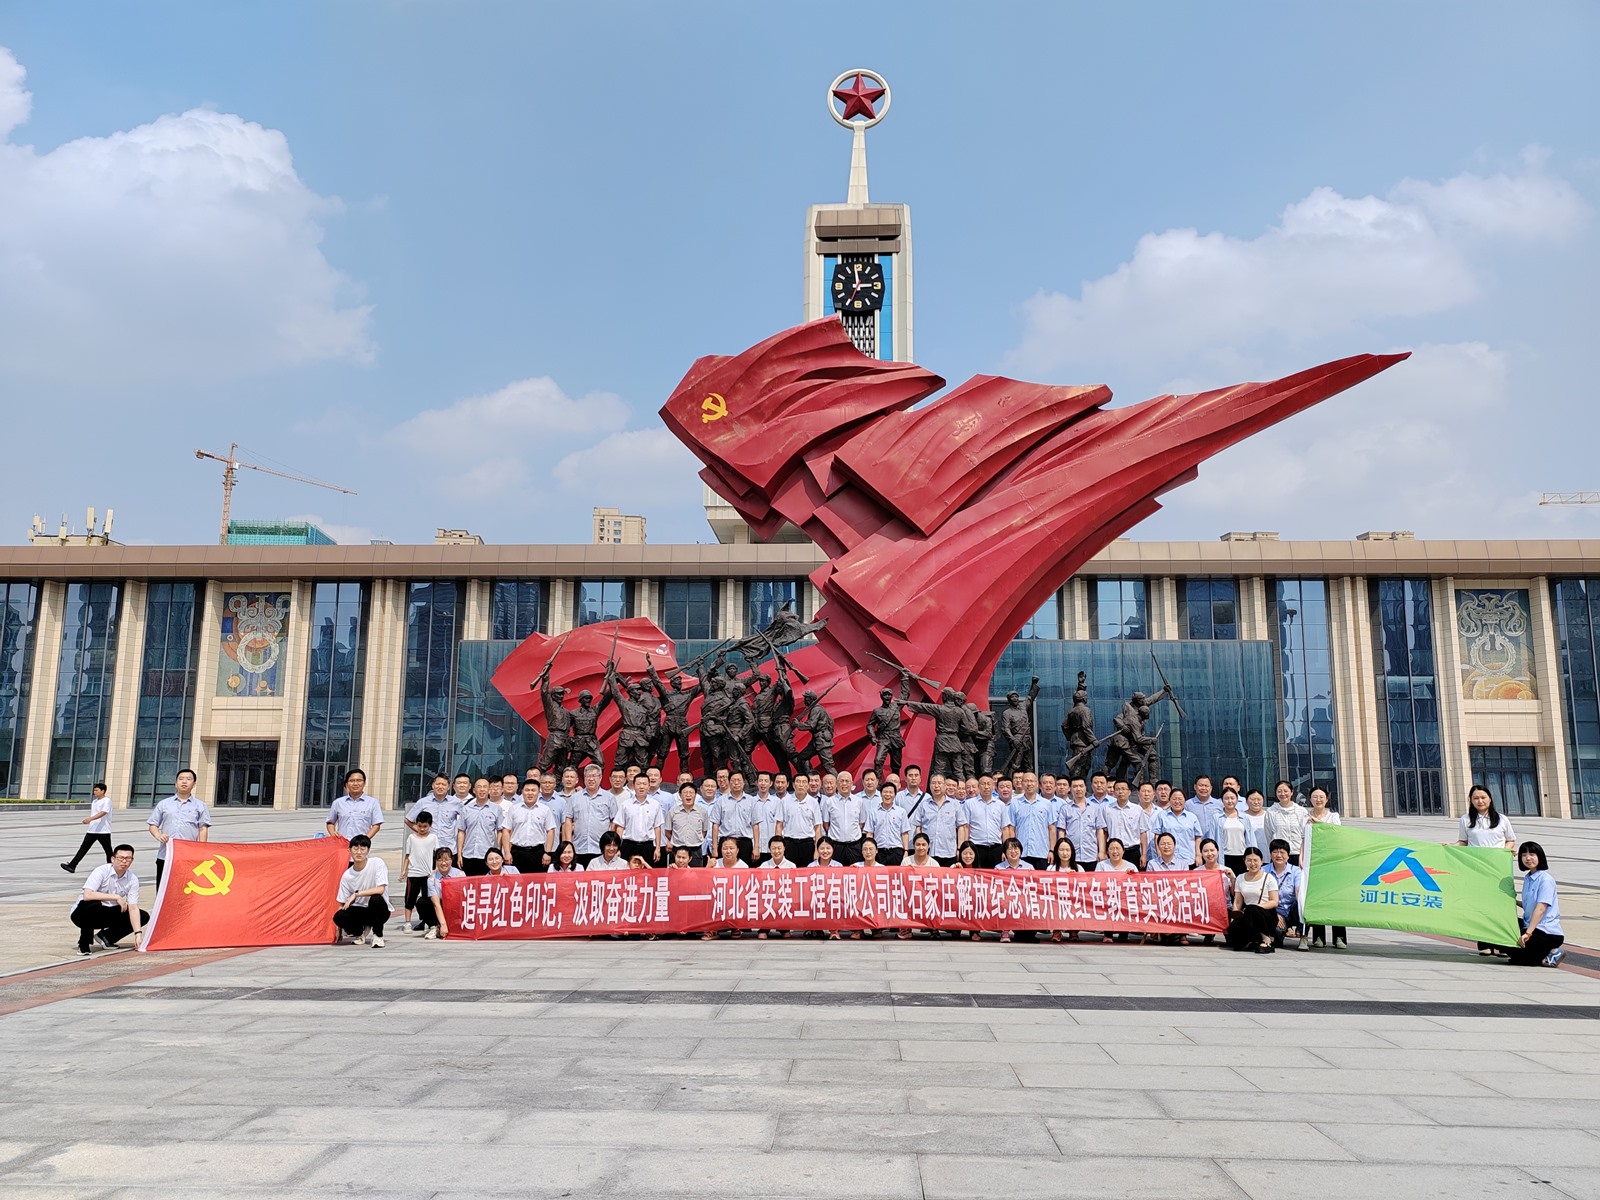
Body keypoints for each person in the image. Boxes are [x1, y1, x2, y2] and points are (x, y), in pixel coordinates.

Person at [1457, 784, 1518, 956]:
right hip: (1477, 869)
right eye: (1475, 798)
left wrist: (1505, 852)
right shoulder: (1466, 819)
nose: (1480, 801)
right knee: (1481, 906)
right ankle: (1484, 944)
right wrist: (1450, 846)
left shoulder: (1502, 819)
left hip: (1498, 870)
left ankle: (1503, 944)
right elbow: (1463, 842)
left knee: (1500, 905)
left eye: (1483, 797)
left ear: (1490, 799)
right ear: (1471, 801)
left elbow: (1510, 840)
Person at [69, 844, 145, 955]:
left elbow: (133, 907)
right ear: (113, 859)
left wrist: (138, 934)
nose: (124, 861)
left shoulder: (132, 879)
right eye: (121, 858)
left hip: (108, 912)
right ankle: (84, 944)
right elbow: (87, 895)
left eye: (128, 858)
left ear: (132, 860)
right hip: (81, 914)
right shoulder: (101, 871)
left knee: (143, 915)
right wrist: (116, 897)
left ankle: (106, 937)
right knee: (92, 904)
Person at [1501, 841, 1564, 967]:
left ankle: (1552, 952)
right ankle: (1538, 954)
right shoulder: (1528, 878)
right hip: (1529, 927)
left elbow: (1540, 909)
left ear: (1540, 856)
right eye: (1524, 855)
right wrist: (1512, 901)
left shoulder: (1545, 880)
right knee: (1499, 929)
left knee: (1522, 960)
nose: (1528, 858)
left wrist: (1528, 933)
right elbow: (1528, 905)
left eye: (1532, 854)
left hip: (1546, 932)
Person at [147, 769, 212, 891]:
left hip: (189, 856)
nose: (184, 782)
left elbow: (202, 829)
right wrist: (158, 835)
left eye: (188, 779)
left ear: (194, 784)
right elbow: (152, 824)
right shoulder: (164, 804)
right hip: (166, 855)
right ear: (176, 783)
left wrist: (201, 850)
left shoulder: (200, 805)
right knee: (163, 890)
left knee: (185, 890)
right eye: (181, 779)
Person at [1301, 786, 1346, 949]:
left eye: (1321, 797)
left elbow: (1335, 834)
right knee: (1317, 899)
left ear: (1327, 799)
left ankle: (1339, 937)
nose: (1318, 800)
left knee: (1334, 899)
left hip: (1332, 862)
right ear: (1310, 799)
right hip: (1314, 862)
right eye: (1314, 797)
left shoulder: (1333, 817)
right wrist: (1301, 858)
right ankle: (1318, 937)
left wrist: (1318, 823)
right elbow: (1303, 839)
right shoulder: (1305, 817)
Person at [333, 835, 390, 948]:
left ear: (368, 850)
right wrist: (338, 928)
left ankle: (378, 935)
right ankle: (360, 933)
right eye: (355, 848)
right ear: (349, 850)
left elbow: (381, 889)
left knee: (376, 898)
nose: (359, 852)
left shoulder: (377, 863)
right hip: (362, 911)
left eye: (363, 849)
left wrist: (357, 894)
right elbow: (341, 903)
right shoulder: (347, 876)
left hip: (380, 910)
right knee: (339, 916)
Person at [1226, 846, 1279, 953]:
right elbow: (1238, 901)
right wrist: (1236, 914)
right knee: (1234, 936)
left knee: (1252, 909)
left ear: (1261, 861)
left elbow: (1274, 901)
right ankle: (1253, 940)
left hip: (1265, 914)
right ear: (1244, 861)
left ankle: (1267, 940)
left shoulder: (1269, 878)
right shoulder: (1240, 878)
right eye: (1249, 860)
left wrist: (1256, 907)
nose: (1252, 863)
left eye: (1255, 860)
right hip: (1247, 915)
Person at [400, 812, 440, 932]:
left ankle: (427, 921)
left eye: (425, 826)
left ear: (430, 825)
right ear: (416, 825)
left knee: (427, 899)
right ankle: (407, 922)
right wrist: (404, 870)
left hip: (427, 875)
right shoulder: (411, 838)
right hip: (413, 874)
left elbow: (437, 855)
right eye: (420, 826)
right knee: (410, 899)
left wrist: (435, 869)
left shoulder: (433, 838)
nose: (422, 829)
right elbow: (407, 855)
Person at [61, 781, 113, 873]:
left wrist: (90, 819)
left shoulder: (107, 801)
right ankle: (72, 865)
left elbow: (103, 812)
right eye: (94, 790)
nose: (94, 792)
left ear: (103, 791)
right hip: (92, 830)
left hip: (103, 830)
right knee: (83, 848)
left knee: (108, 850)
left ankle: (112, 867)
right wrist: (91, 821)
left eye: (96, 790)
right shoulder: (95, 801)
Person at [457, 779, 505, 877]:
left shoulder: (496, 809)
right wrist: (459, 855)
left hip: (487, 856)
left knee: (487, 884)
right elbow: (461, 831)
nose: (482, 790)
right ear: (474, 790)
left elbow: (500, 831)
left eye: (485, 787)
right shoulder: (466, 809)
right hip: (468, 854)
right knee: (469, 884)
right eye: (479, 787)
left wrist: (497, 851)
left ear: (489, 790)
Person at [614, 775, 664, 866]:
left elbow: (657, 827)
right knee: (625, 871)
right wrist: (617, 848)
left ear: (649, 786)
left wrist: (657, 848)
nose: (641, 787)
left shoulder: (655, 805)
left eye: (644, 784)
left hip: (647, 845)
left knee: (648, 872)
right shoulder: (626, 804)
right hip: (628, 845)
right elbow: (620, 827)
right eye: (638, 784)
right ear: (633, 785)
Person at [326, 769, 384, 845]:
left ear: (364, 783)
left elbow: (376, 825)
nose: (355, 784)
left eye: (359, 780)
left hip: (361, 846)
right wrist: (333, 834)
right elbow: (330, 822)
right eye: (352, 781)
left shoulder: (373, 803)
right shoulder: (338, 803)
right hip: (342, 844)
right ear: (346, 784)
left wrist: (364, 840)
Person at [1266, 838, 1304, 949]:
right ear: (1270, 854)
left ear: (1288, 855)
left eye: (1282, 852)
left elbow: (1298, 890)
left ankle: (1303, 935)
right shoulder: (1264, 870)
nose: (1279, 855)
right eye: (1275, 852)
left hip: (1292, 910)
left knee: (1301, 904)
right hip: (1275, 911)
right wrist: (1275, 914)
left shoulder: (1296, 871)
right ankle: (1280, 932)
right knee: (1277, 937)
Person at [420, 846, 463, 939]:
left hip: (455, 906)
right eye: (440, 860)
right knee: (422, 902)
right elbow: (436, 904)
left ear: (451, 860)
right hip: (440, 905)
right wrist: (443, 924)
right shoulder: (432, 878)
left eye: (446, 860)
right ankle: (435, 926)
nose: (443, 863)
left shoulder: (460, 875)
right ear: (436, 861)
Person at [668, 780, 711, 866]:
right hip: (678, 850)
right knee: (675, 873)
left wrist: (694, 840)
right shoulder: (673, 812)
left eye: (691, 792)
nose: (688, 795)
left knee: (696, 874)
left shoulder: (703, 812)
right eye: (685, 792)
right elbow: (668, 831)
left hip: (695, 850)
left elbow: (704, 831)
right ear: (680, 795)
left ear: (695, 795)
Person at [1263, 781, 1306, 865]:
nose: (1282, 794)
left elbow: (1304, 835)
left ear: (1291, 792)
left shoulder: (1301, 811)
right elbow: (1268, 835)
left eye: (1285, 791)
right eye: (1279, 791)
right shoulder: (1271, 811)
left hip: (1298, 853)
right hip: (1279, 854)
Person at [867, 784, 910, 865]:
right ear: (880, 794)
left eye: (890, 792)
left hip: (896, 851)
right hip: (879, 851)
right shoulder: (873, 812)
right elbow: (870, 833)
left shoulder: (901, 812)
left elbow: (904, 834)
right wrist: (870, 850)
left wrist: (906, 851)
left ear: (895, 795)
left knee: (896, 873)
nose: (887, 794)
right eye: (885, 792)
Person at [1217, 789, 1249, 876]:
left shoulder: (1244, 817)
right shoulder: (1217, 817)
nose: (1230, 801)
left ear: (1237, 800)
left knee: (1241, 882)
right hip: (1225, 856)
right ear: (1222, 800)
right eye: (1226, 798)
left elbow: (1250, 838)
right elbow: (1213, 838)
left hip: (1242, 855)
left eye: (1232, 798)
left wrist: (1252, 854)